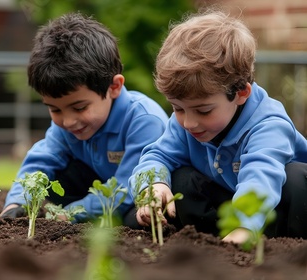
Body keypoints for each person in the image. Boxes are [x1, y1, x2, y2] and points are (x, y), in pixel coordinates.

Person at [126, 9, 307, 243]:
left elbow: (260, 179)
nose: (189, 122)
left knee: (295, 179)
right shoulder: (186, 123)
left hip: (277, 212)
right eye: (177, 108)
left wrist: (244, 225)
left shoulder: (269, 124)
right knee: (180, 179)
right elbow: (157, 155)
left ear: (241, 93)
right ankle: (211, 242)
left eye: (204, 110)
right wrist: (153, 186)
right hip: (227, 205)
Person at [0, 12, 169, 223]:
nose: (68, 121)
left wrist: (69, 213)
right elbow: (42, 159)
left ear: (114, 87)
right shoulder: (67, 126)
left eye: (79, 107)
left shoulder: (143, 120)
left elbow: (126, 187)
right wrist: (17, 201)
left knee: (134, 219)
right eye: (55, 110)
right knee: (56, 177)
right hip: (98, 187)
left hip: (136, 194)